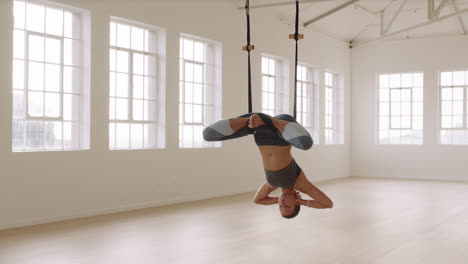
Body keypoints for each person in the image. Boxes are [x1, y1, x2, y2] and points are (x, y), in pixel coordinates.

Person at [203, 113, 333, 218]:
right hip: (283, 131)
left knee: (208, 135)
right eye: (287, 206)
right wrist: (303, 202)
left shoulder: (272, 185)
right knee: (305, 144)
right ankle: (268, 120)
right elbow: (328, 204)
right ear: (295, 203)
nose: (282, 204)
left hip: (261, 132)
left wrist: (276, 200)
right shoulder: (299, 182)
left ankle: (258, 119)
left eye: (280, 207)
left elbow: (257, 200)